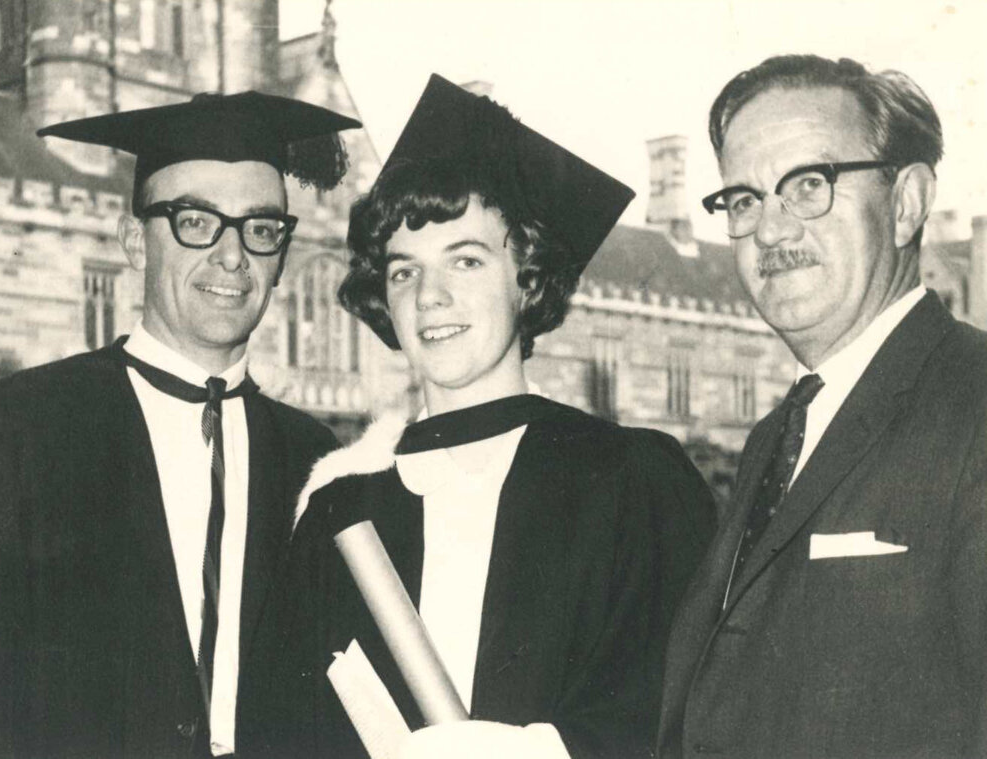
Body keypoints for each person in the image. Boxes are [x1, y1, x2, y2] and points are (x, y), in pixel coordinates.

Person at [256, 74, 717, 759]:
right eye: (404, 270)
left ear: (528, 277)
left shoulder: (633, 482)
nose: (429, 297)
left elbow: (694, 714)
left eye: (466, 260)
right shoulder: (341, 507)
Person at [0, 92, 359, 758]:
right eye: (196, 221)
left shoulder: (314, 457)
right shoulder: (18, 427)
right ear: (135, 242)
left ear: (281, 256)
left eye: (260, 228)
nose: (232, 255)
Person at [657, 54, 987, 758]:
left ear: (906, 203)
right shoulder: (777, 437)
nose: (770, 230)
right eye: (744, 200)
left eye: (809, 184)